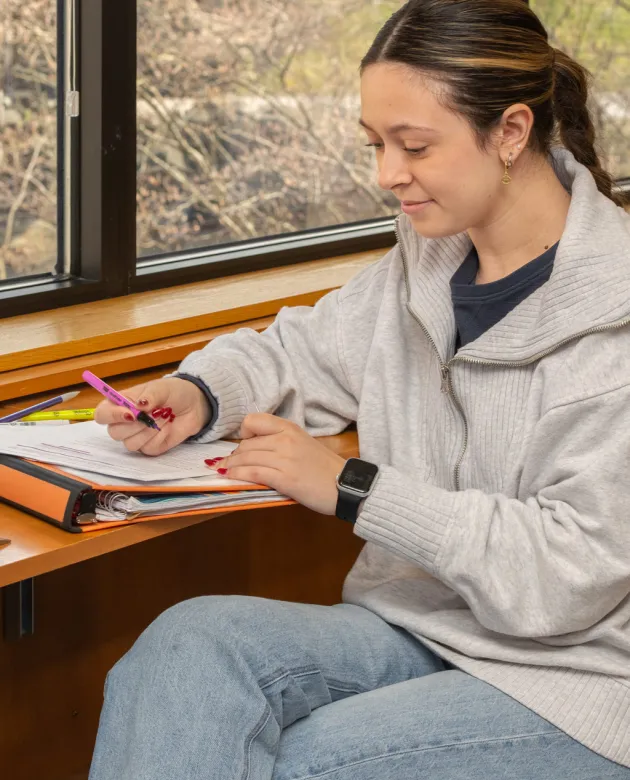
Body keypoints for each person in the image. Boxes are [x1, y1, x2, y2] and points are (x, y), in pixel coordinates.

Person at [88, 1, 630, 777]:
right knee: (183, 650)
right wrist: (202, 392)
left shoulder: (615, 316)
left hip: (575, 679)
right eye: (377, 144)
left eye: (414, 146)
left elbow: (564, 578)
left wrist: (352, 487)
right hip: (412, 625)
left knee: (304, 764)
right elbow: (305, 349)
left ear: (510, 132)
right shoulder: (429, 258)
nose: (386, 175)